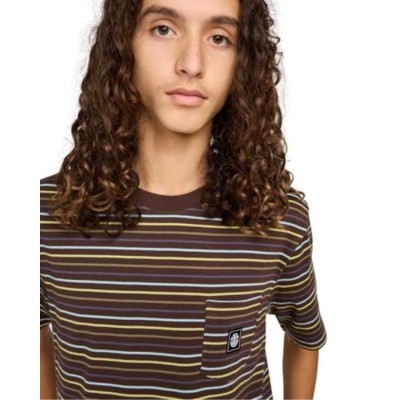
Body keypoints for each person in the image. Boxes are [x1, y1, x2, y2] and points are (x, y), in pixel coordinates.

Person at [40, 0, 327, 399]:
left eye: (219, 38)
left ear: (243, 62)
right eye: (163, 29)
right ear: (123, 44)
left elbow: (305, 335)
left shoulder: (279, 217)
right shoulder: (44, 214)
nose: (192, 64)